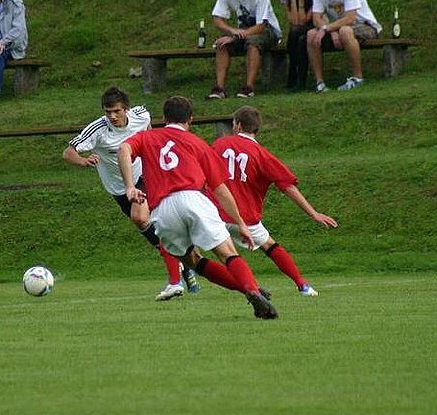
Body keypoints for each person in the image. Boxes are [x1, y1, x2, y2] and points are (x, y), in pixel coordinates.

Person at [118, 95, 278, 320]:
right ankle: (251, 289)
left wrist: (129, 187)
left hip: (162, 209)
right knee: (227, 252)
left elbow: (123, 149)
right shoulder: (198, 144)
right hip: (193, 199)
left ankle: (247, 289)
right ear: (190, 119)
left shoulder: (146, 136)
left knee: (191, 260)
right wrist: (240, 223)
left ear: (164, 118)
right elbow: (220, 190)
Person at [63, 87, 200, 301]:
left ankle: (175, 281)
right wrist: (83, 160)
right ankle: (185, 264)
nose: (112, 116)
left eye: (116, 111)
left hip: (144, 177)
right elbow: (68, 152)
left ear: (126, 108)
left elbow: (149, 133)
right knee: (151, 228)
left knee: (142, 217)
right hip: (117, 189)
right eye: (108, 112)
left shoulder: (141, 115)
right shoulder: (97, 130)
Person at [210, 106, 338, 296]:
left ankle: (178, 279)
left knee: (210, 252)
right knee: (269, 246)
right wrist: (313, 213)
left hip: (214, 212)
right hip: (245, 217)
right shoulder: (262, 154)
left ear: (238, 125)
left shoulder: (219, 143)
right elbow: (288, 186)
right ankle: (302, 284)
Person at [306, 0, 381, 93]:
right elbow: (316, 18)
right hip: (338, 28)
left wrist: (327, 28)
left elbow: (351, 18)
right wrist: (331, 31)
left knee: (345, 31)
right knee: (311, 34)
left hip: (365, 25)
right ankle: (320, 83)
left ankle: (358, 77)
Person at [208, 0, 281, 100]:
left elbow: (261, 26)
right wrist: (231, 31)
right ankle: (219, 88)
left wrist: (235, 37)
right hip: (244, 31)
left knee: (252, 43)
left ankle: (249, 87)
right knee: (221, 45)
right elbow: (217, 19)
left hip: (268, 31)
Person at [279, 0, 314, 92]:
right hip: (299, 33)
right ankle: (300, 82)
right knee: (300, 39)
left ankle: (292, 69)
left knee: (296, 32)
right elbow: (294, 21)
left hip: (314, 28)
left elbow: (304, 21)